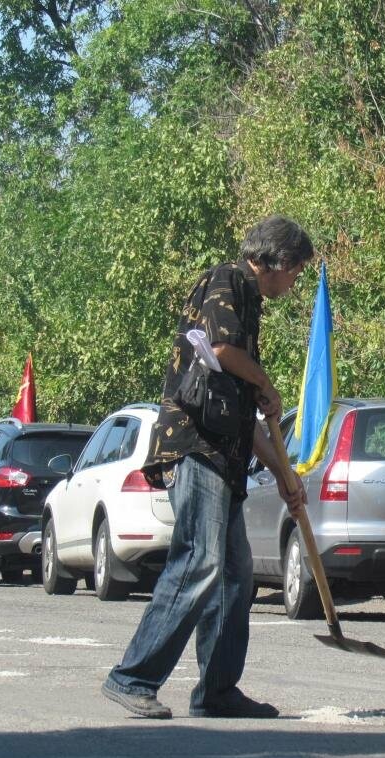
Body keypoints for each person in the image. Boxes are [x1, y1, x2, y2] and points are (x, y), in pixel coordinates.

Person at [102, 216, 313, 719]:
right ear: (277, 261)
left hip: (225, 456)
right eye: (296, 271)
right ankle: (132, 677)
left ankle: (217, 691)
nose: (295, 282)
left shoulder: (250, 305)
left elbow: (242, 419)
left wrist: (284, 475)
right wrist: (265, 383)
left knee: (235, 575)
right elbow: (220, 347)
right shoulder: (227, 280)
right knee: (200, 560)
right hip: (195, 448)